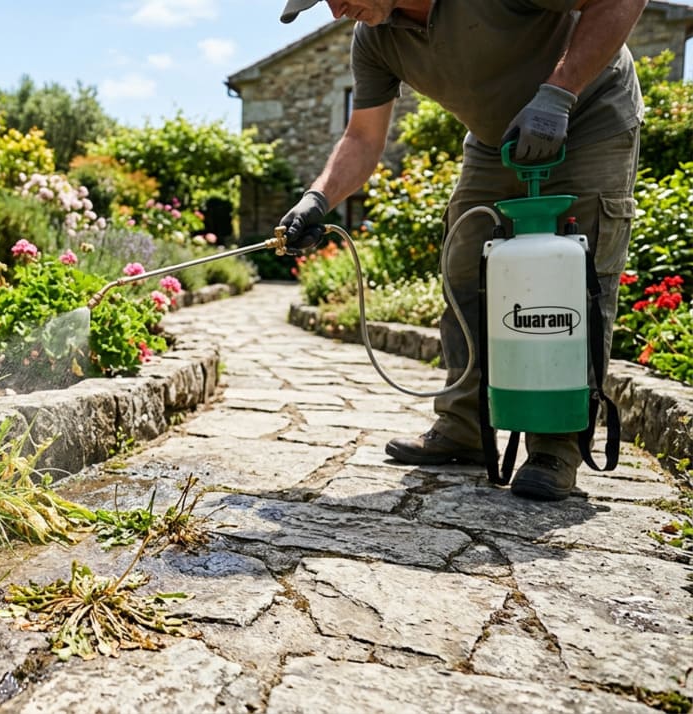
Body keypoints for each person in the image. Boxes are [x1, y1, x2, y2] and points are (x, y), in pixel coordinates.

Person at [276, 0, 646, 501]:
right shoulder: (375, 39)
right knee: (464, 268)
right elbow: (362, 138)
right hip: (496, 141)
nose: (337, 11)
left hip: (590, 113)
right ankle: (466, 426)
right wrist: (316, 199)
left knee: (572, 277)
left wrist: (559, 93)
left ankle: (557, 445)